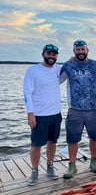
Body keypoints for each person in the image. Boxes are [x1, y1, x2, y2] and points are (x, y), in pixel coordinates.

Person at [60, 39, 96, 178]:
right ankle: (72, 166)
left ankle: (93, 161)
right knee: (72, 139)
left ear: (87, 50)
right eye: (78, 50)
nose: (80, 52)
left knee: (94, 137)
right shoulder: (68, 65)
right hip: (75, 110)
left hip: (93, 109)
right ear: (74, 51)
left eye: (83, 49)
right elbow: (55, 81)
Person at [23, 44, 62, 186]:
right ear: (43, 54)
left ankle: (50, 166)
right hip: (39, 115)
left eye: (54, 54)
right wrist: (30, 113)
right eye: (49, 53)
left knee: (53, 142)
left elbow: (71, 68)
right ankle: (34, 170)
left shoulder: (59, 69)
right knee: (36, 145)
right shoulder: (33, 70)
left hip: (56, 114)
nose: (52, 56)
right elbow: (27, 92)